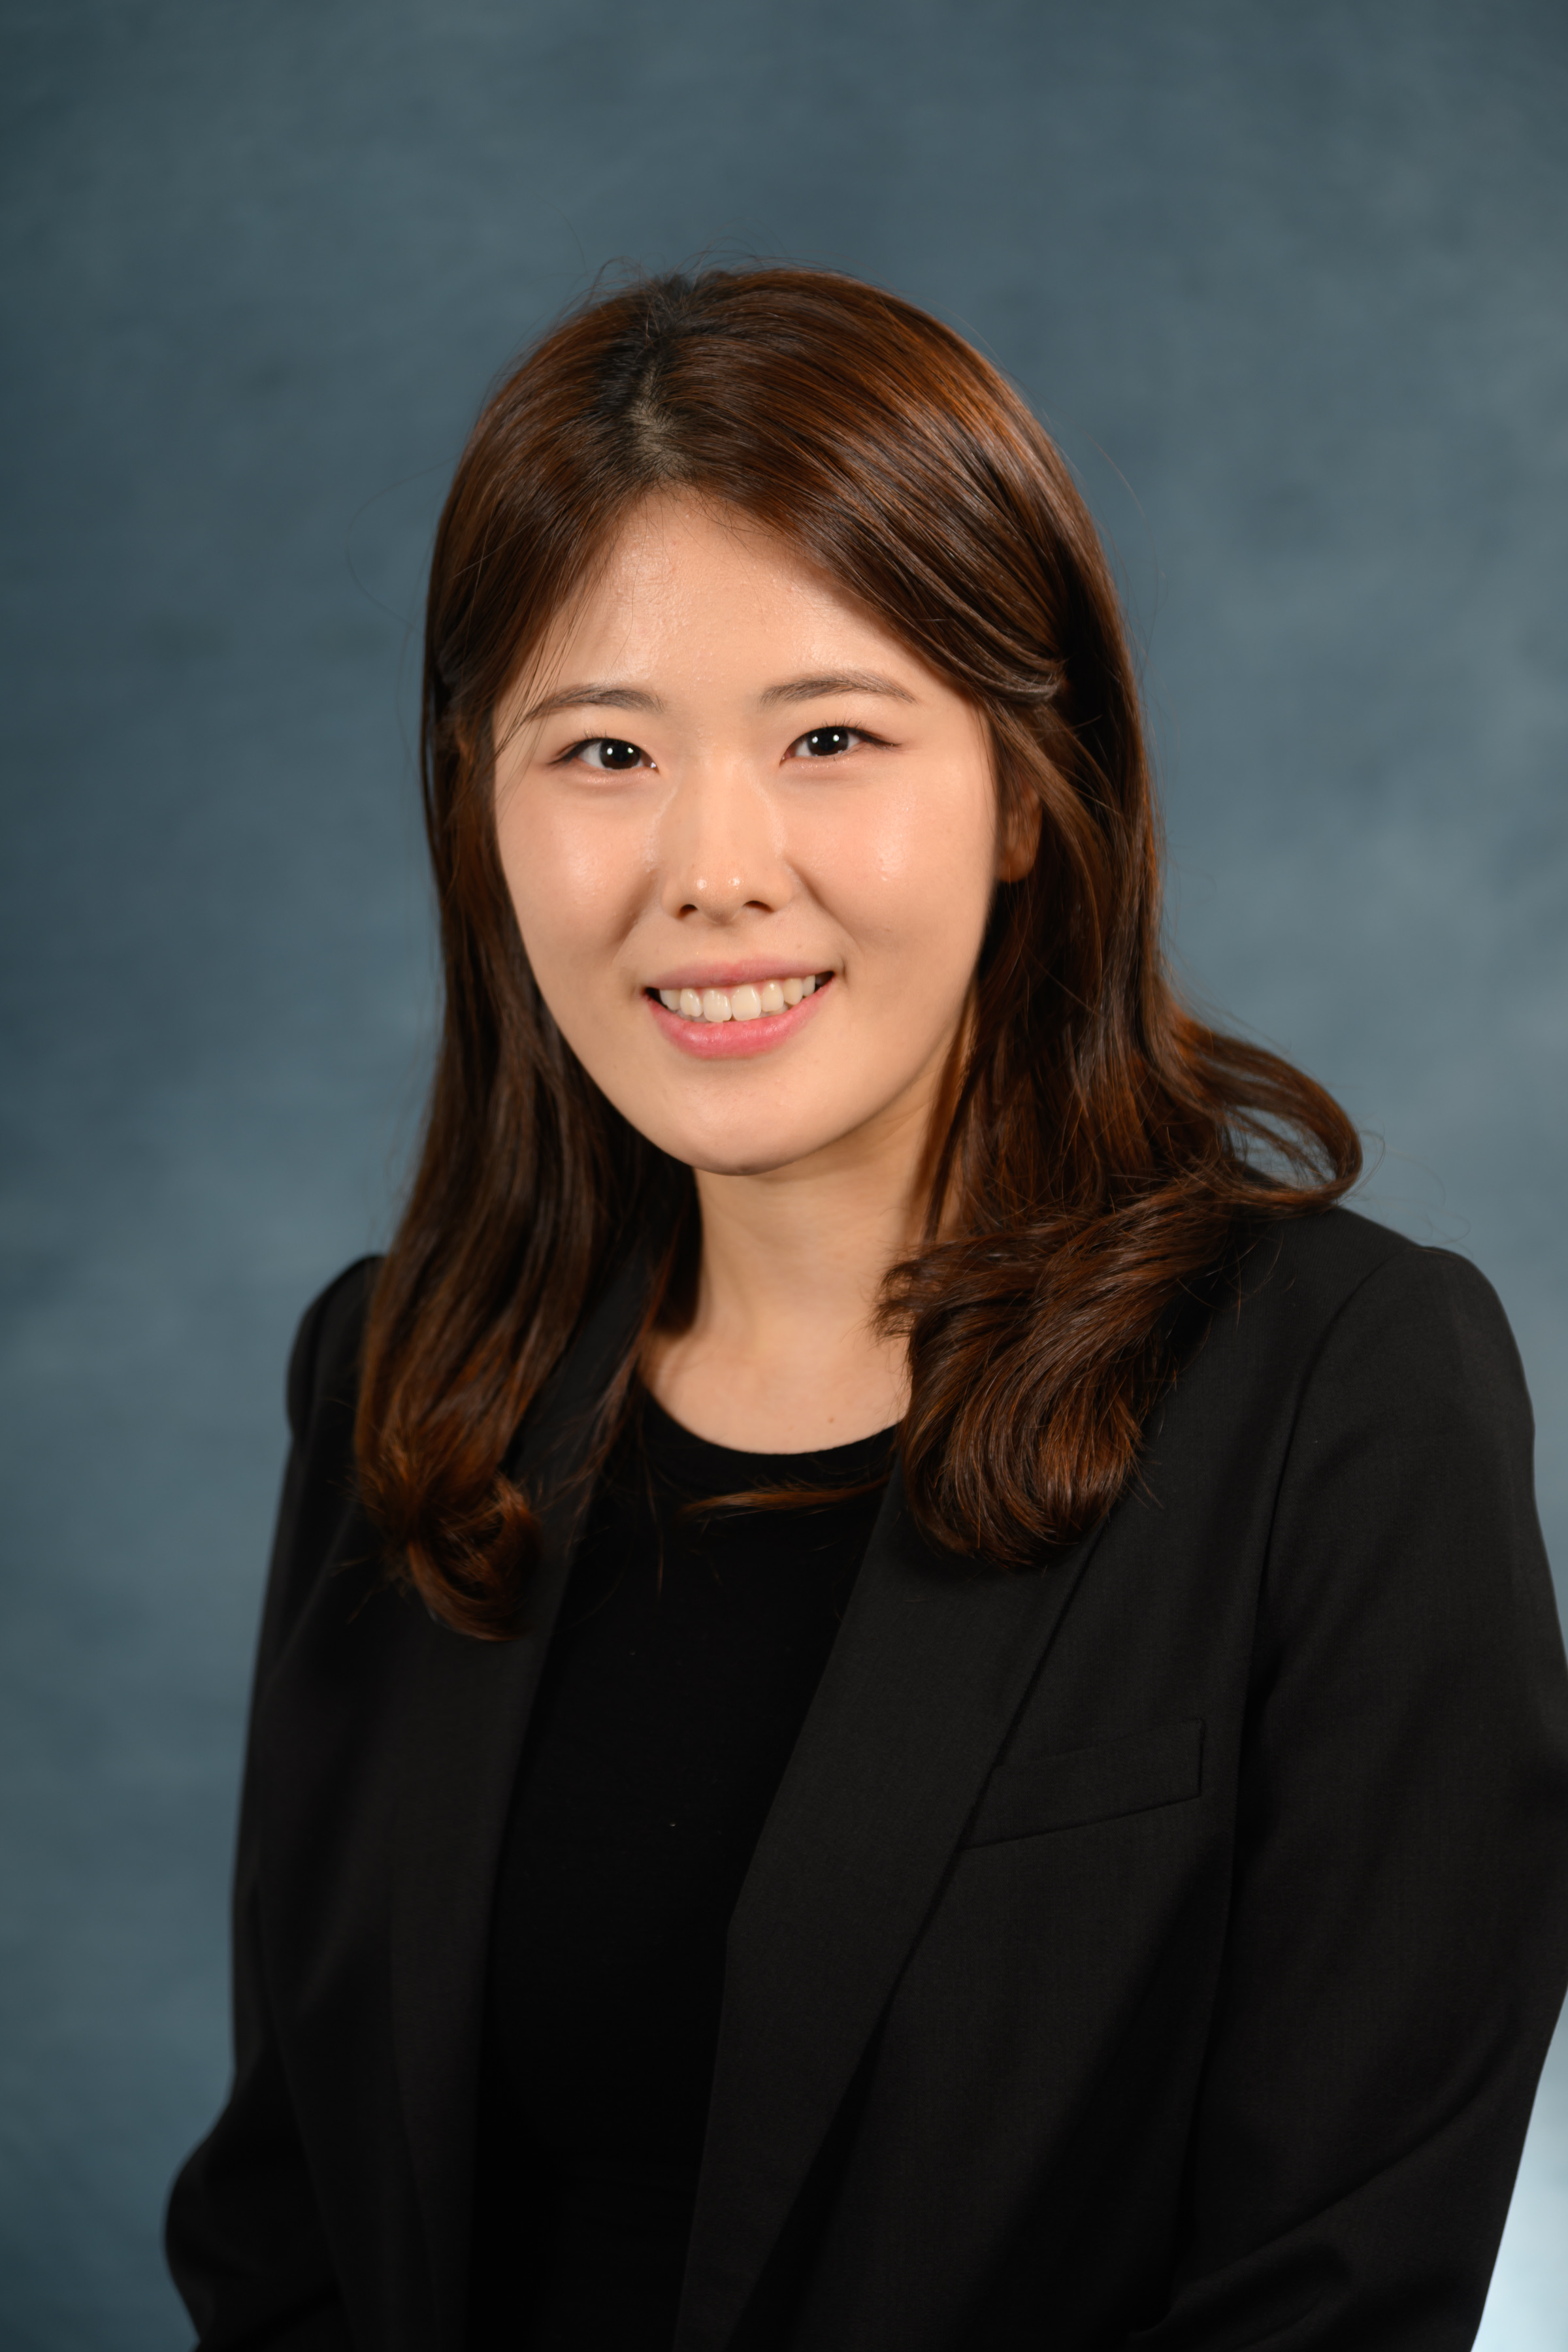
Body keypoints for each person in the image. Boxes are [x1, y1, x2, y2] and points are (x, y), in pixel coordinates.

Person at [166, 266, 1568, 2352]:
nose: (713, 869)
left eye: (830, 737)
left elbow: (1334, 2299)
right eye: (604, 749)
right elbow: (286, 2243)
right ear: (480, 810)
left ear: (1030, 790)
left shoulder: (1339, 1400)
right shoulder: (401, 1380)